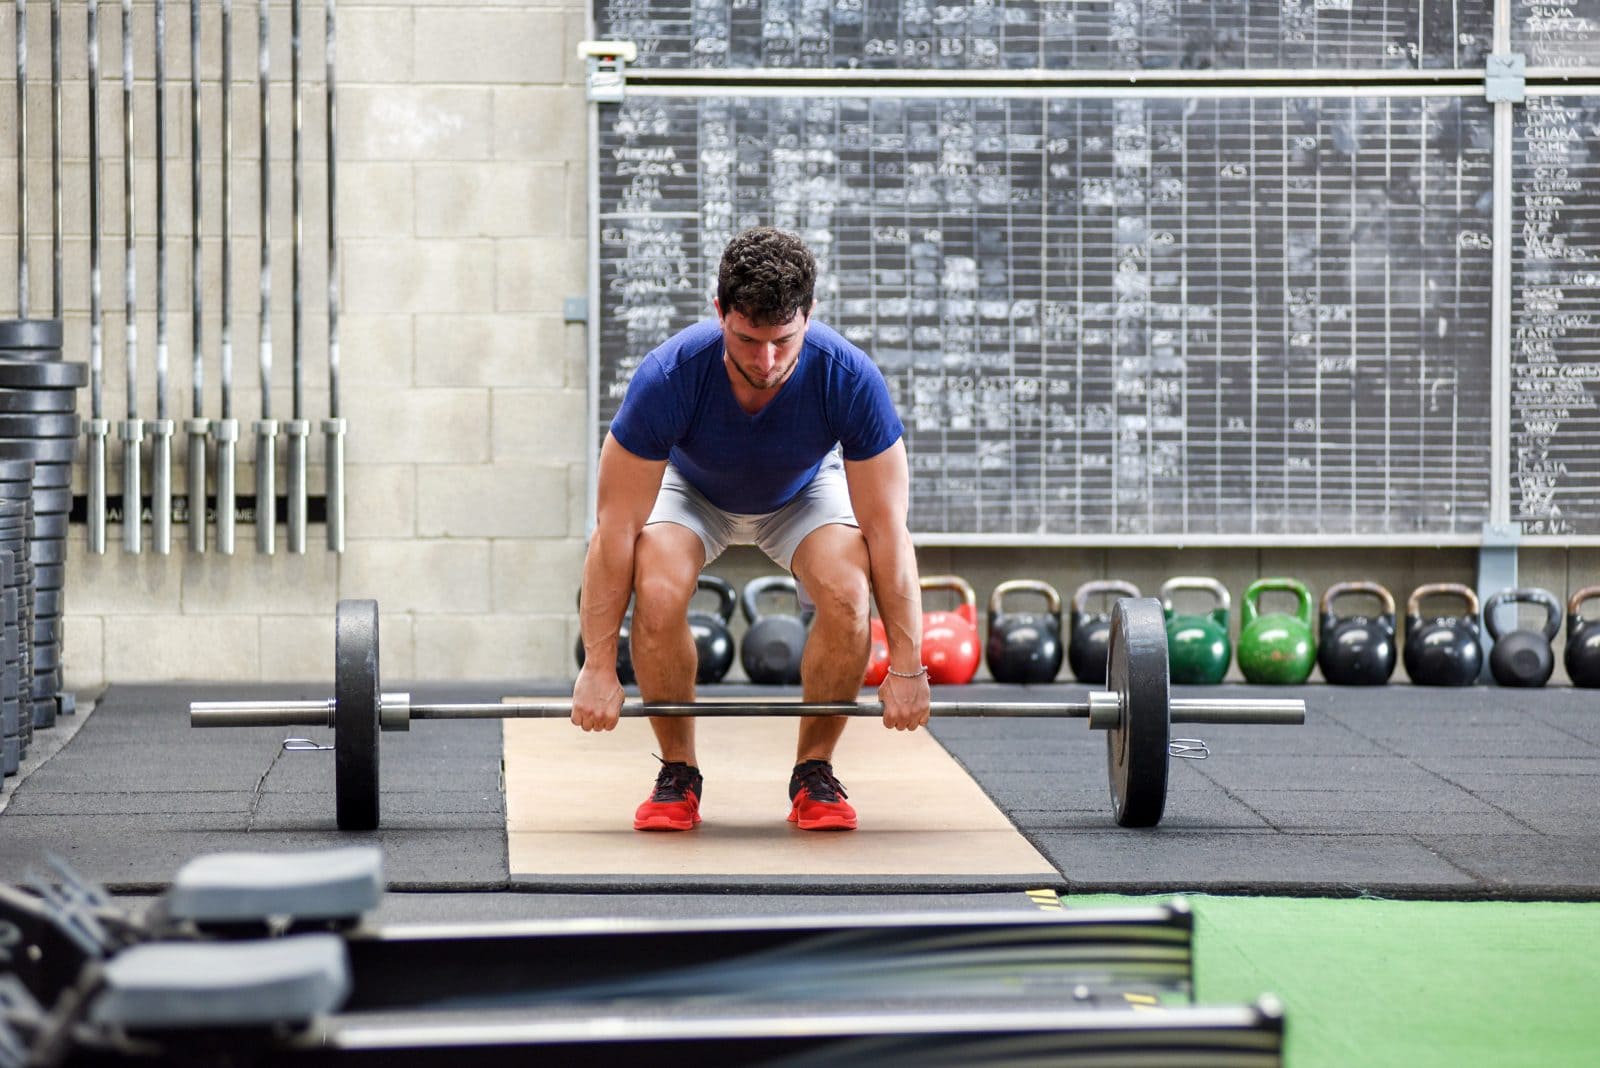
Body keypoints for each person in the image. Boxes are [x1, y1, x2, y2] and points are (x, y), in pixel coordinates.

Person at [571, 227, 931, 832]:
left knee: (847, 592)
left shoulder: (850, 378)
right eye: (747, 340)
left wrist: (908, 665)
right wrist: (599, 664)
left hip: (801, 489)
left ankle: (814, 773)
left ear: (809, 316)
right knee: (656, 587)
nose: (766, 361)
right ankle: (678, 774)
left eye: (783, 341)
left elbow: (887, 532)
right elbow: (613, 530)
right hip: (692, 489)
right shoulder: (668, 378)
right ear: (719, 313)